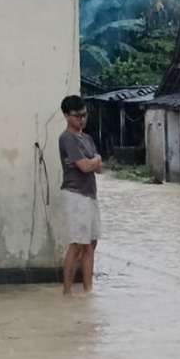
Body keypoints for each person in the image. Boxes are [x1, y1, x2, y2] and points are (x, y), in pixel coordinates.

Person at [58, 95, 102, 295]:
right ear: (67, 116)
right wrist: (95, 160)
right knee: (77, 244)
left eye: (84, 115)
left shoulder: (87, 138)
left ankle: (88, 290)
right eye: (77, 116)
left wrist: (94, 162)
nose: (82, 119)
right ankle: (67, 291)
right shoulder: (67, 138)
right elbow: (85, 166)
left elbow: (99, 168)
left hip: (90, 194)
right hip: (75, 195)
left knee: (91, 243)